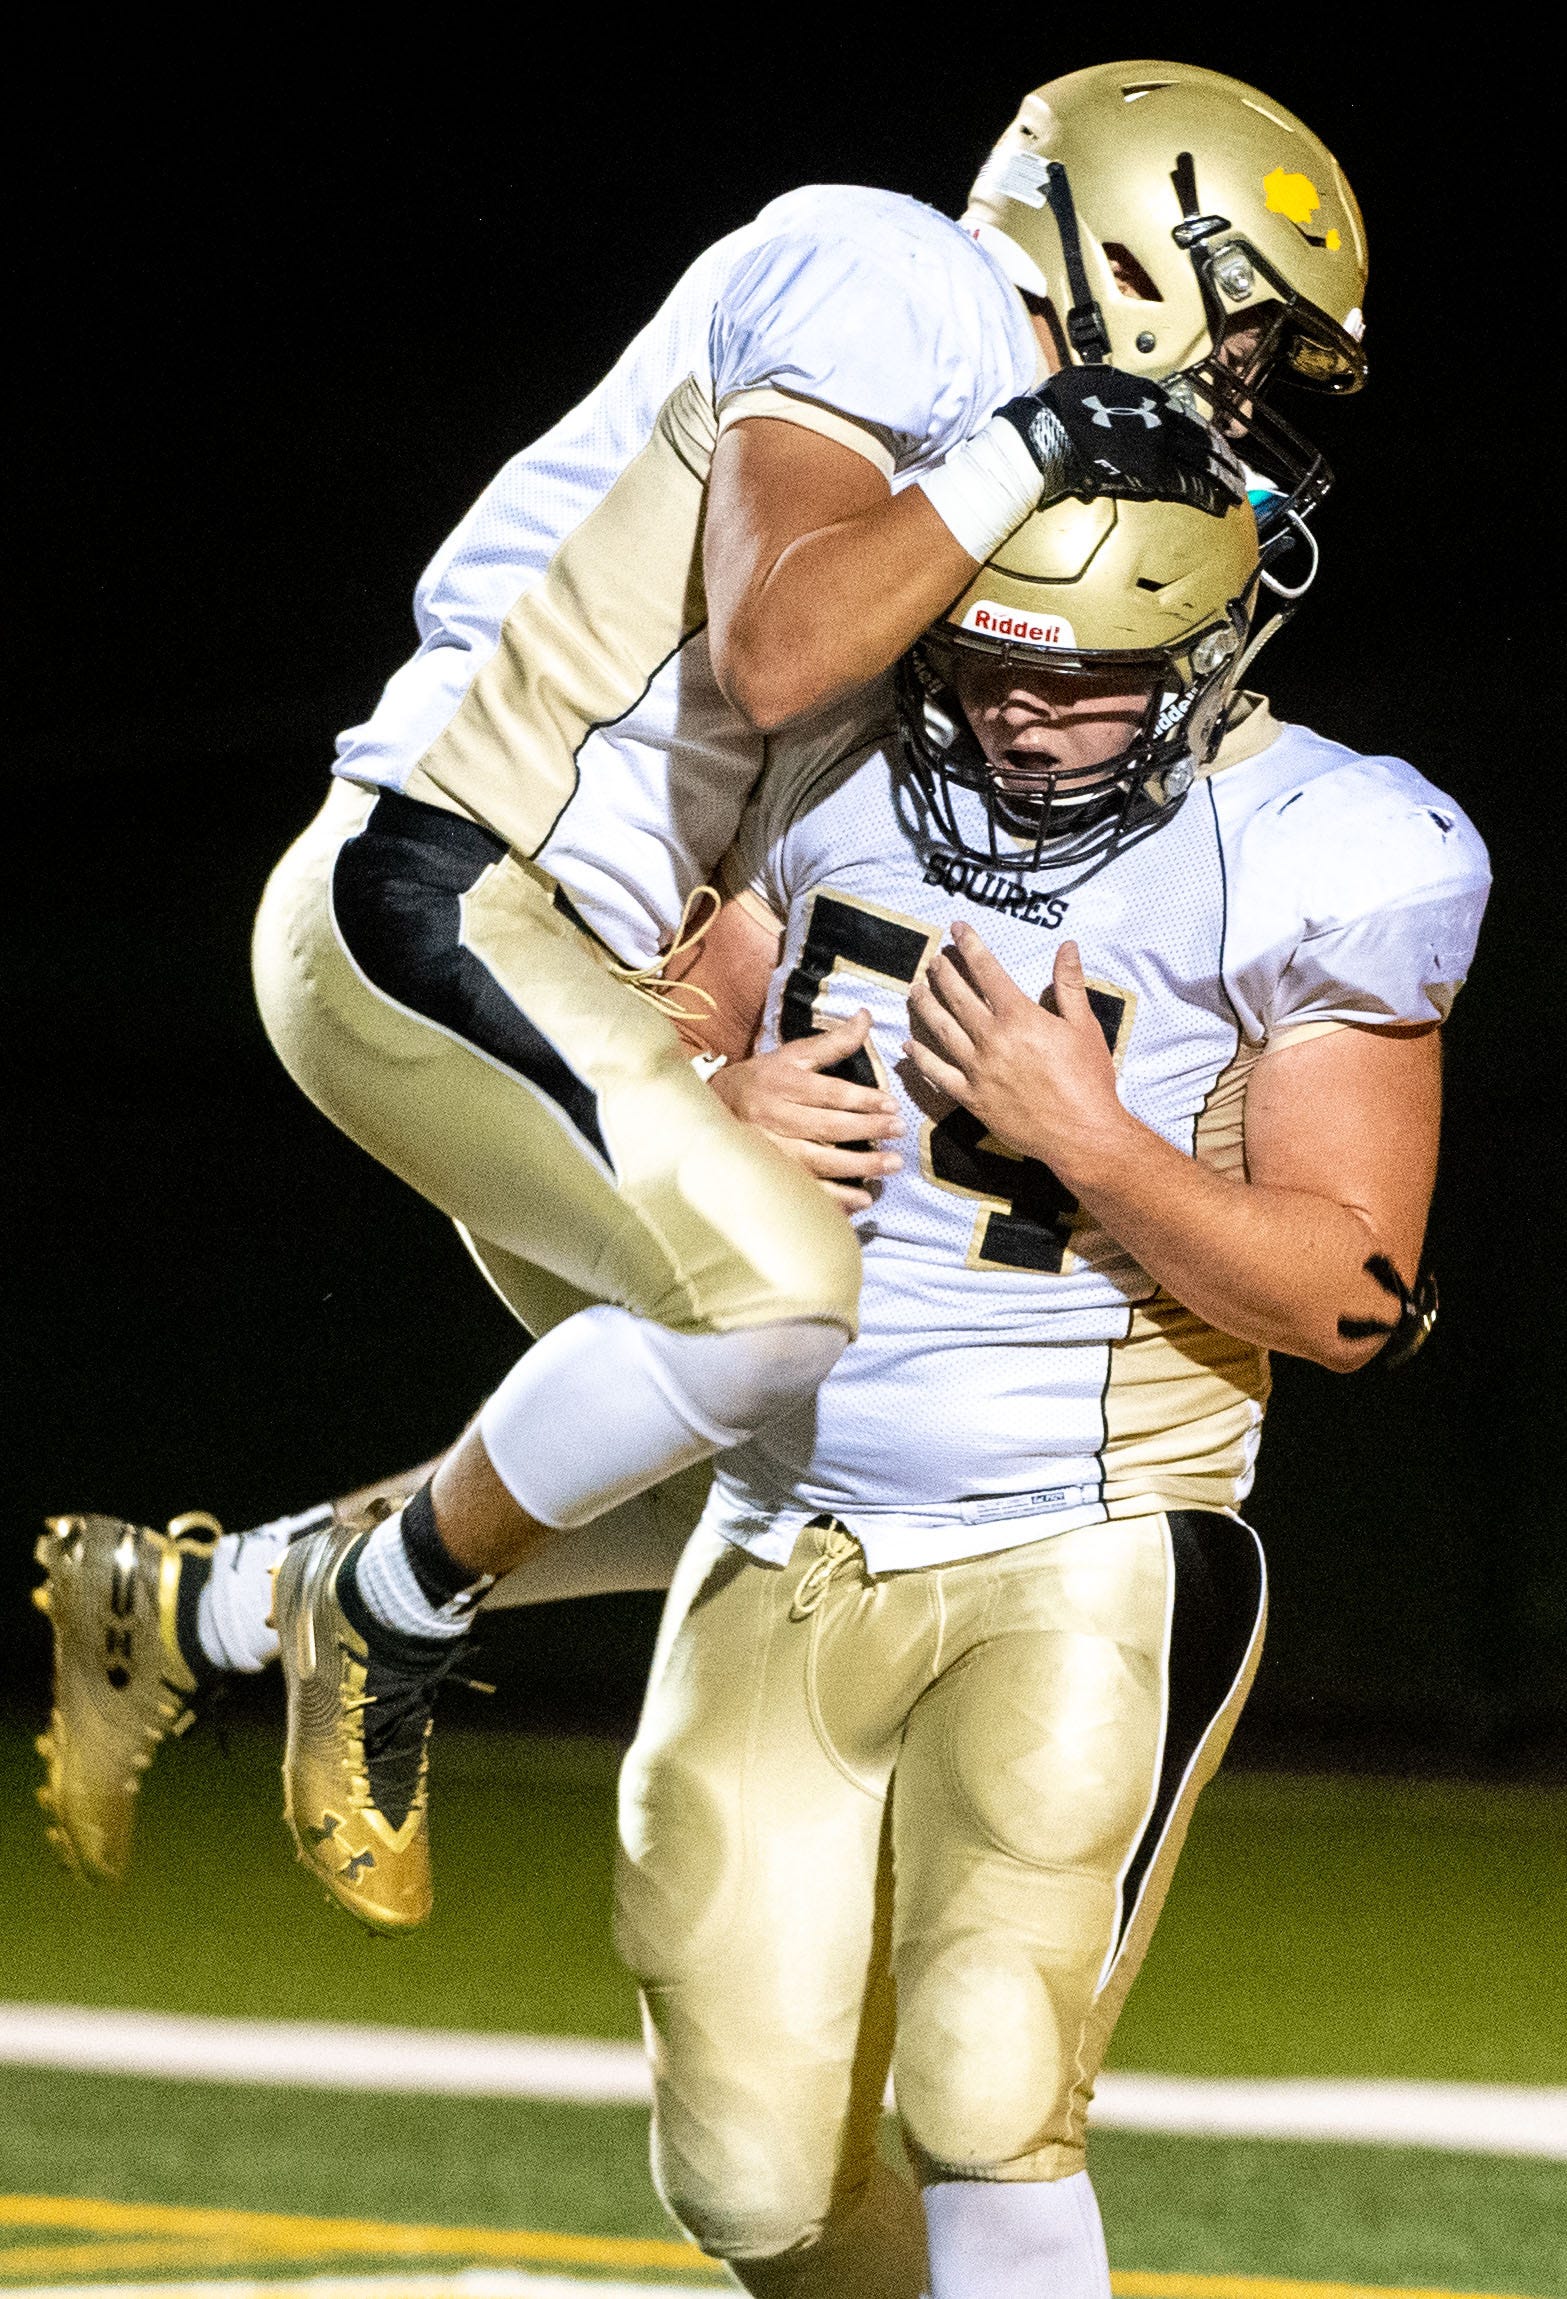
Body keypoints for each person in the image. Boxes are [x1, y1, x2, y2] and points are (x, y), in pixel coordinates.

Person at [34, 62, 1367, 1930]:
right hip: (438, 873)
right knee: (780, 1307)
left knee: (804, 1468)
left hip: (570, 969)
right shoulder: (893, 269)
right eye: (1245, 340)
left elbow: (731, 824)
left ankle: (195, 1604)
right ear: (1145, 245)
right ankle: (379, 1618)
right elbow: (772, 641)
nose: (1236, 402)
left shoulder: (973, 458)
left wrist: (698, 1078)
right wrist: (1041, 436)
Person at [598, 496, 1487, 2292]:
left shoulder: (1318, 840)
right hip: (780, 1532)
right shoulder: (833, 756)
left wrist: (1093, 1141)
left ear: (1211, 650)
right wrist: (692, 1117)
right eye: (994, 662)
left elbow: (1356, 1304)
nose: (1025, 716)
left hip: (1090, 1538)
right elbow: (649, 1038)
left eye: (1089, 681)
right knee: (751, 2187)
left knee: (991, 2078)